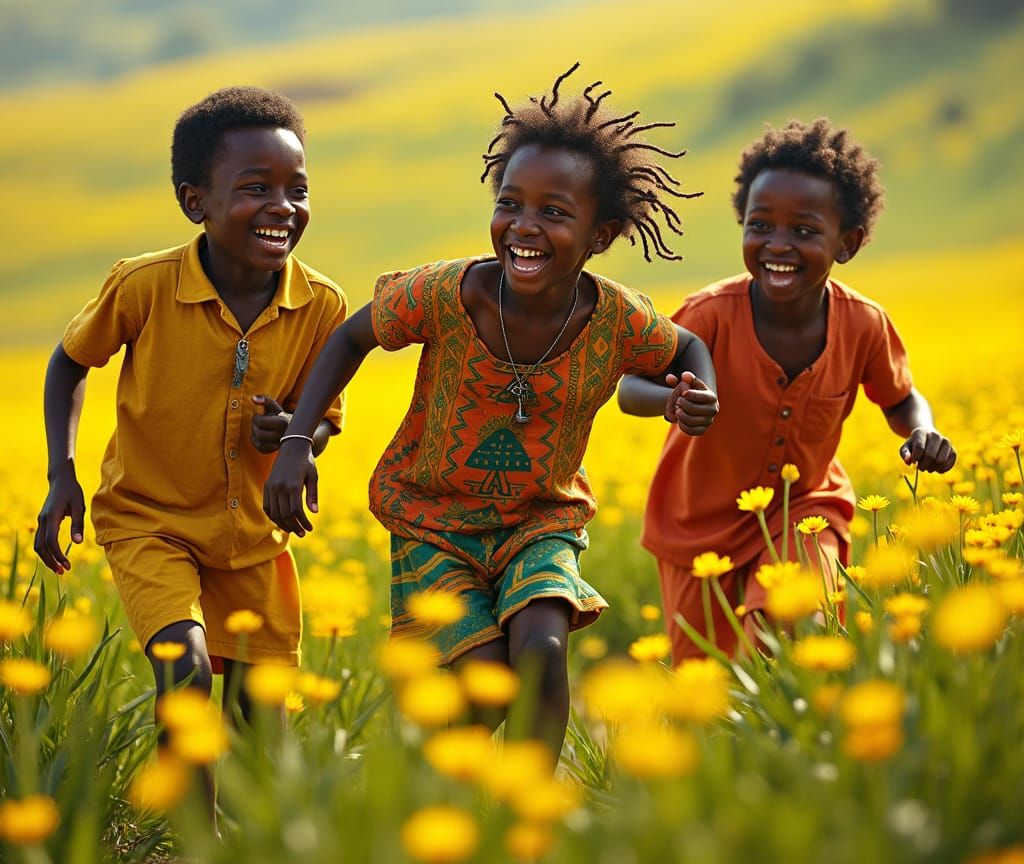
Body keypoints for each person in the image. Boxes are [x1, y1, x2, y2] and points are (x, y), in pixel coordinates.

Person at [263, 64, 719, 756]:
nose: (523, 227)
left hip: (540, 519)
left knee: (541, 648)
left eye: (555, 212)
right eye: (511, 204)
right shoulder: (449, 293)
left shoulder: (618, 319)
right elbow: (352, 335)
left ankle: (526, 815)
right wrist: (299, 439)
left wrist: (693, 395)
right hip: (432, 520)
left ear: (601, 234)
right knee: (481, 677)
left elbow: (686, 348)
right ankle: (429, 784)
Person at [36, 86, 347, 727]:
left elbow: (321, 422)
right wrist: (61, 472)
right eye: (257, 188)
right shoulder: (144, 287)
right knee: (186, 672)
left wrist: (295, 437)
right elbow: (70, 360)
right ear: (194, 202)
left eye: (298, 189)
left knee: (259, 722)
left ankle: (243, 830)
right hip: (150, 521)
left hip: (252, 540)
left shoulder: (322, 306)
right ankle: (187, 831)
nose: (282, 207)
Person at [619, 117, 956, 664]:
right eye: (760, 226)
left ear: (847, 243)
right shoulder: (707, 314)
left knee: (797, 629)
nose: (778, 245)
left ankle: (808, 743)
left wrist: (924, 430)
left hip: (807, 511)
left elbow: (901, 399)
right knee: (706, 687)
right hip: (695, 528)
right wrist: (670, 401)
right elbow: (631, 386)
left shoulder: (863, 324)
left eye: (803, 230)